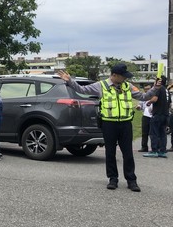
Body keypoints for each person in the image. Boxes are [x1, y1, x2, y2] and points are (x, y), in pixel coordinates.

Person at [57, 64, 159, 192]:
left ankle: (131, 180)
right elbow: (82, 90)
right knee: (110, 153)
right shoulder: (101, 85)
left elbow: (143, 97)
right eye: (123, 76)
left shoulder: (128, 86)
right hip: (109, 124)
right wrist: (70, 81)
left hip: (125, 124)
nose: (125, 79)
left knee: (128, 154)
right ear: (115, 75)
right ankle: (113, 179)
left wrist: (156, 88)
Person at [144, 76, 169, 158]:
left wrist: (149, 102)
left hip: (158, 114)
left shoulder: (159, 89)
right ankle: (162, 151)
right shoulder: (166, 90)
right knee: (162, 133)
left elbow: (155, 99)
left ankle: (154, 150)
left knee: (154, 133)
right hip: (165, 114)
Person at [135, 84, 152, 153]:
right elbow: (141, 105)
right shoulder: (143, 97)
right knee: (144, 132)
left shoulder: (154, 95)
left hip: (152, 116)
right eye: (145, 89)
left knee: (153, 133)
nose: (146, 90)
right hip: (145, 115)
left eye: (148, 89)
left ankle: (155, 147)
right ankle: (144, 147)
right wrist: (138, 107)